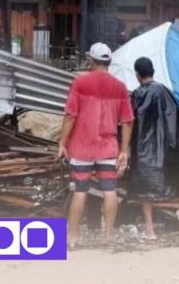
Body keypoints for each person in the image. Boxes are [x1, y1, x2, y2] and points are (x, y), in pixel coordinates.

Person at [57, 42, 134, 248]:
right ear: (109, 62)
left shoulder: (80, 83)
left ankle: (71, 238)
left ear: (91, 60)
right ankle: (107, 237)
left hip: (82, 147)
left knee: (80, 190)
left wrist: (62, 143)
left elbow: (70, 116)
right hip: (108, 147)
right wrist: (124, 150)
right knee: (110, 190)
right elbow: (127, 121)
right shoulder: (120, 87)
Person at [129, 57, 179, 240]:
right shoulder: (165, 91)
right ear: (153, 71)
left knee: (146, 190)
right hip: (167, 146)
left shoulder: (137, 94)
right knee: (176, 174)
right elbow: (177, 119)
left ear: (138, 75)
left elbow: (132, 121)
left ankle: (150, 231)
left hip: (144, 148)